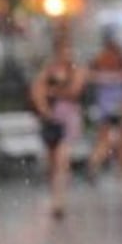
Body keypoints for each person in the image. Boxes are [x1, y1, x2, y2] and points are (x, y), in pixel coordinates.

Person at [29, 38, 86, 219]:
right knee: (52, 162)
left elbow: (74, 91)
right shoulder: (48, 70)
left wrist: (53, 91)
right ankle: (55, 195)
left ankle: (59, 200)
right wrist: (45, 108)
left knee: (63, 159)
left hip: (68, 121)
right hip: (50, 120)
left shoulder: (75, 70)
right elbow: (36, 91)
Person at [86, 32, 122, 180]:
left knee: (111, 140)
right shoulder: (107, 61)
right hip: (114, 106)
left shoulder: (108, 61)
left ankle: (98, 164)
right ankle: (117, 172)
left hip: (108, 106)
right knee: (117, 140)